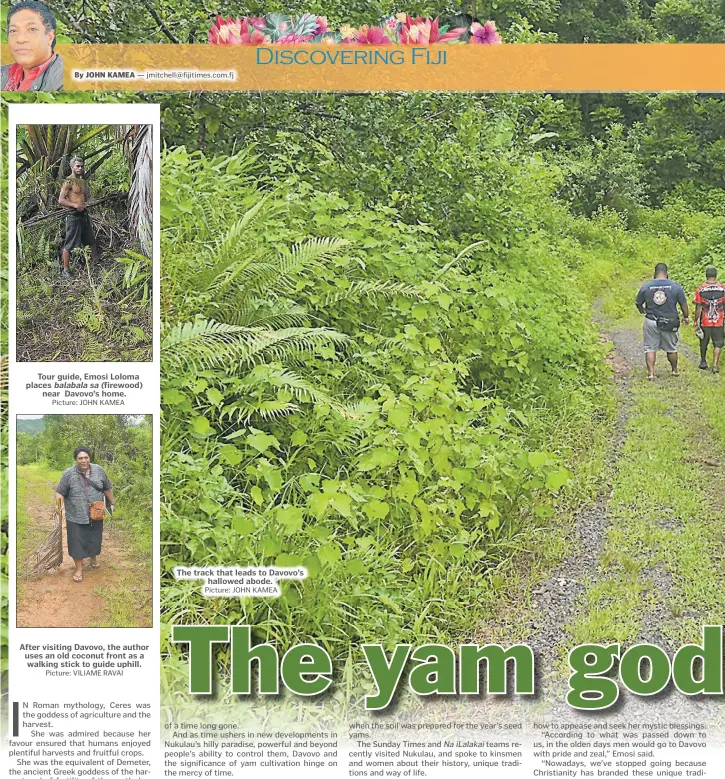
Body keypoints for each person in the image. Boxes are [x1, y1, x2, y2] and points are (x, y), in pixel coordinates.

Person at [55, 447, 115, 583]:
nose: (83, 460)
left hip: (96, 512)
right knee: (77, 541)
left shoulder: (99, 470)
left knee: (94, 537)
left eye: (86, 457)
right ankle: (78, 569)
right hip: (75, 514)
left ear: (89, 458)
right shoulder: (68, 474)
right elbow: (60, 492)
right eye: (80, 458)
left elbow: (107, 487)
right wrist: (59, 507)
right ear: (76, 460)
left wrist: (112, 503)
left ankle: (93, 558)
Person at [635, 263, 690, 380]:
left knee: (650, 348)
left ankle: (651, 374)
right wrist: (686, 317)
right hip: (670, 322)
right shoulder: (675, 286)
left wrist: (643, 310)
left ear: (654, 273)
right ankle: (674, 370)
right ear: (667, 273)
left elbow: (638, 303)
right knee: (671, 348)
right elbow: (683, 304)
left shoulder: (646, 286)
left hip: (651, 320)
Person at [2, 1, 64, 92]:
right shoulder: (4, 74)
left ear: (50, 37)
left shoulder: (66, 80)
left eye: (32, 29)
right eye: (13, 31)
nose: (20, 39)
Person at [58, 156, 99, 278]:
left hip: (84, 215)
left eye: (81, 166)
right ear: (72, 167)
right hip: (73, 216)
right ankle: (66, 270)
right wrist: (75, 205)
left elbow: (84, 197)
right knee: (70, 243)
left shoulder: (81, 181)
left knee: (90, 239)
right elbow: (61, 200)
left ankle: (96, 262)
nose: (80, 168)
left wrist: (89, 202)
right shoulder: (68, 182)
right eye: (77, 166)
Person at [693, 265, 725, 374]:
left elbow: (698, 307)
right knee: (718, 343)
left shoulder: (701, 289)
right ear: (716, 275)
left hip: (705, 321)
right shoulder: (723, 288)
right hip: (719, 321)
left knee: (703, 342)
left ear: (706, 275)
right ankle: (715, 365)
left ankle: (703, 361)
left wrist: (695, 320)